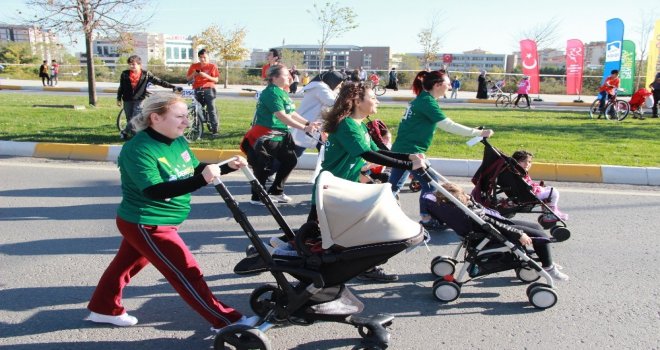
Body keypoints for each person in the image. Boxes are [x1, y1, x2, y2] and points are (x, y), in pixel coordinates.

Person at [85, 93, 259, 330]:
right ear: (155, 118)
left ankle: (103, 308)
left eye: (186, 116)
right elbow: (154, 191)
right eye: (179, 117)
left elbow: (193, 170)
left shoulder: (177, 140)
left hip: (160, 220)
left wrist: (225, 167)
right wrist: (203, 179)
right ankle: (227, 321)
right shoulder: (138, 149)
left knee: (124, 267)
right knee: (186, 272)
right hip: (147, 222)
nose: (186, 122)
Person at [306, 81, 427, 282]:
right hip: (331, 189)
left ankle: (359, 266)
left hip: (345, 188)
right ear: (356, 101)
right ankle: (279, 251)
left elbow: (379, 151)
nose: (376, 100)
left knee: (327, 232)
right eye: (372, 97)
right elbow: (367, 154)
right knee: (313, 233)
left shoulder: (358, 125)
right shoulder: (347, 125)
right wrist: (407, 166)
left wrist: (410, 157)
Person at [388, 70, 494, 230]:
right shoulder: (427, 102)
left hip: (402, 149)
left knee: (393, 187)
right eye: (448, 83)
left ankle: (374, 214)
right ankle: (426, 218)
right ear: (437, 85)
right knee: (430, 185)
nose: (450, 86)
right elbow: (448, 125)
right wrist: (479, 133)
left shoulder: (422, 100)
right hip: (412, 152)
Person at [422, 182, 569, 281]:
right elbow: (494, 224)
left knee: (536, 227)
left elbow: (494, 221)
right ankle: (548, 267)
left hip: (493, 227)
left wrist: (469, 200)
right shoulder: (468, 211)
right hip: (491, 234)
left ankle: (544, 259)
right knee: (541, 236)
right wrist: (518, 234)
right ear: (457, 200)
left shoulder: (462, 207)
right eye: (463, 195)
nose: (467, 196)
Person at [241, 64, 320, 205]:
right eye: (285, 75)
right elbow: (282, 116)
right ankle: (257, 196)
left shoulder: (281, 91)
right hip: (266, 133)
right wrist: (304, 128)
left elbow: (291, 112)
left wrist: (308, 123)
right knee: (263, 166)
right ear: (274, 77)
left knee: (290, 160)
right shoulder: (271, 93)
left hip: (280, 132)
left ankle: (276, 192)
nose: (289, 77)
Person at [117, 55, 178, 139]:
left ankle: (134, 136)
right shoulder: (125, 74)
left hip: (140, 99)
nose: (131, 66)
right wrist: (118, 98)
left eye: (133, 64)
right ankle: (127, 132)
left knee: (135, 118)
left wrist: (172, 86)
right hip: (127, 99)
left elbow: (159, 82)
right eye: (130, 64)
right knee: (129, 118)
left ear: (139, 65)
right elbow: (121, 87)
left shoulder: (146, 74)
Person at [291, 70, 345, 157]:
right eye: (339, 83)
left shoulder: (322, 87)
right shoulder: (320, 87)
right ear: (333, 81)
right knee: (295, 153)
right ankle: (270, 169)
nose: (340, 86)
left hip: (316, 125)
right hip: (309, 122)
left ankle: (326, 168)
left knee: (325, 152)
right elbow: (332, 102)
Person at [511, 150, 568, 223]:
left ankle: (549, 212)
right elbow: (525, 186)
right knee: (554, 192)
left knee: (548, 189)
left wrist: (538, 187)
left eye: (529, 162)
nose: (527, 164)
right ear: (516, 162)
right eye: (523, 161)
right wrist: (537, 188)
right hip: (529, 195)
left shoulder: (518, 172)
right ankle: (550, 215)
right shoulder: (519, 174)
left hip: (529, 192)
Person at [186, 49, 220, 137]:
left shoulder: (212, 66)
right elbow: (188, 78)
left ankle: (215, 130)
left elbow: (216, 80)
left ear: (208, 57)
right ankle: (197, 126)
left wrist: (206, 75)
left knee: (211, 109)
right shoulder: (194, 66)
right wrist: (194, 74)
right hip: (197, 89)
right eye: (200, 57)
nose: (202, 59)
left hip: (209, 89)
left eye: (204, 57)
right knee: (196, 109)